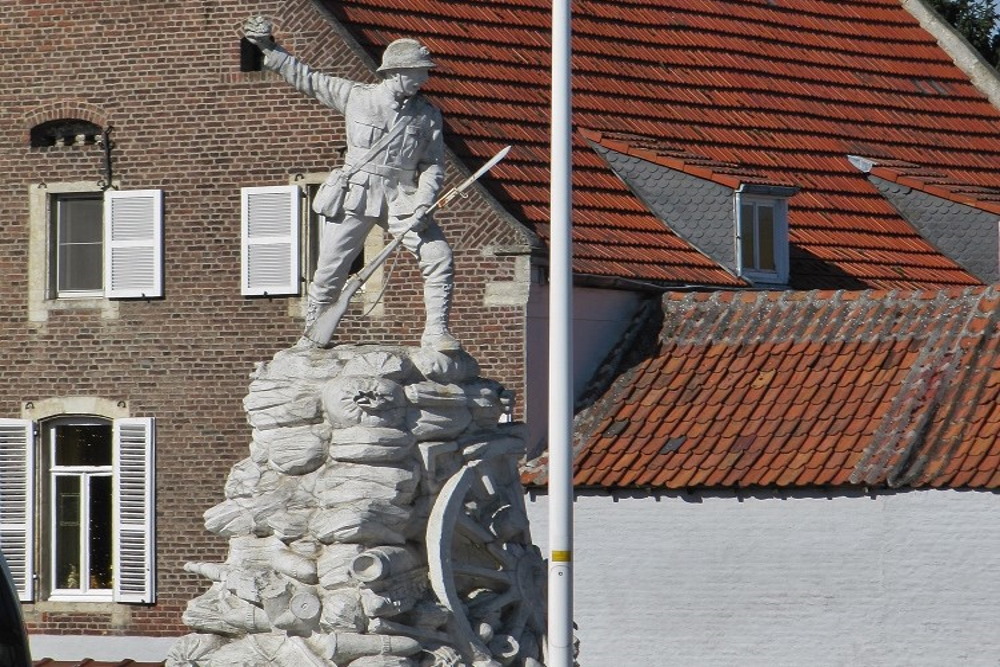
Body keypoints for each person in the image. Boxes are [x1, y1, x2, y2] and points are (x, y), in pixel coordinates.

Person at [244, 17, 459, 352]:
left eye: (424, 72)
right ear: (396, 72)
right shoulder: (357, 96)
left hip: (402, 196)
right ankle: (312, 337)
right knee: (331, 267)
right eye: (418, 72)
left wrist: (422, 203)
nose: (424, 79)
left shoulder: (427, 115)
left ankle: (436, 332)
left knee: (439, 256)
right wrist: (269, 48)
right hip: (356, 193)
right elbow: (309, 80)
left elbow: (432, 165)